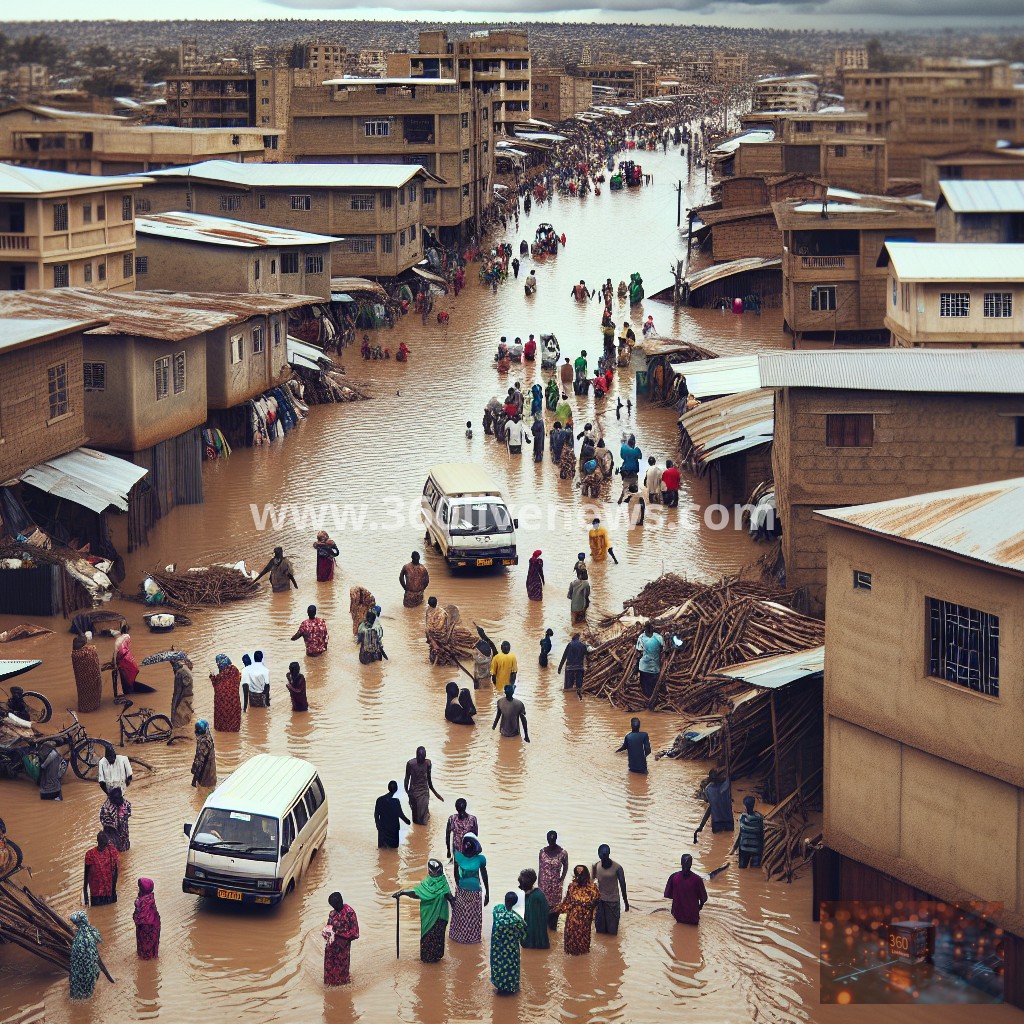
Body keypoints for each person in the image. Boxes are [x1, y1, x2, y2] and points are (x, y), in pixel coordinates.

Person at [394, 859, 455, 963]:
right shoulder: (444, 883)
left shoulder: (426, 884)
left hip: (428, 919)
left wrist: (402, 892)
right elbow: (451, 899)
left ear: (429, 871)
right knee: (438, 937)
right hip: (441, 918)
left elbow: (416, 893)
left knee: (428, 938)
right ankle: (437, 960)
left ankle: (427, 961)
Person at [551, 866, 601, 955]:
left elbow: (566, 903)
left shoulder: (576, 886)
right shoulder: (591, 887)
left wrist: (556, 910)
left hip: (576, 920)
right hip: (582, 920)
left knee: (574, 944)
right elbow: (596, 902)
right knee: (581, 943)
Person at [451, 833, 489, 944]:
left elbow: (456, 874)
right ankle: (473, 938)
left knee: (461, 915)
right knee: (473, 916)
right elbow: (484, 876)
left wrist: (458, 885)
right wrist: (487, 893)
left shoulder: (458, 856)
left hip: (462, 889)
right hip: (475, 890)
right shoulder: (480, 859)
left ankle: (459, 937)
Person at [491, 892, 527, 994]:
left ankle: (499, 986)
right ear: (515, 903)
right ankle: (511, 988)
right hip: (511, 949)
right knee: (511, 966)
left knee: (498, 965)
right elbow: (524, 932)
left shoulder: (497, 909)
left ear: (505, 899)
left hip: (497, 948)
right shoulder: (516, 919)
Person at [592, 845, 630, 935]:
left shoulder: (617, 868)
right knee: (599, 931)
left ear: (609, 854)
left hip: (613, 902)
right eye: (602, 854)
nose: (603, 856)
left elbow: (623, 885)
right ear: (598, 855)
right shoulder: (596, 866)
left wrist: (626, 903)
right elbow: (591, 884)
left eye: (605, 854)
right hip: (600, 901)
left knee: (612, 931)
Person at [323, 891, 359, 985]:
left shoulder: (350, 913)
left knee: (342, 975)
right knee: (329, 975)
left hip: (342, 950)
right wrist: (326, 932)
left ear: (340, 903)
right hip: (331, 949)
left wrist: (338, 933)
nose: (333, 908)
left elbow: (355, 933)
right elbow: (329, 926)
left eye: (334, 905)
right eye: (332, 906)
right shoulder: (332, 914)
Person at [664, 854, 708, 926]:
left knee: (677, 930)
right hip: (692, 916)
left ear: (681, 863)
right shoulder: (697, 879)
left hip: (678, 914)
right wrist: (700, 907)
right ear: (691, 864)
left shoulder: (674, 877)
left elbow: (668, 895)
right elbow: (703, 898)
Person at [404, 746, 444, 825]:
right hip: (413, 792)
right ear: (416, 756)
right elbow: (406, 779)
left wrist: (436, 794)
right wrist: (408, 792)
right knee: (415, 820)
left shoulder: (428, 763)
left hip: (424, 792)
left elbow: (429, 780)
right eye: (419, 756)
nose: (420, 758)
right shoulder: (410, 764)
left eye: (422, 757)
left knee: (423, 819)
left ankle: (427, 829)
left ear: (425, 756)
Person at [68, 910, 103, 1001]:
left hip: (77, 970)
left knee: (78, 988)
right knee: (88, 988)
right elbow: (95, 956)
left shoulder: (77, 938)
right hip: (88, 968)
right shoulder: (90, 935)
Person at [539, 831, 569, 931]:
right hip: (544, 886)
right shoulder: (542, 852)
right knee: (544, 909)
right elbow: (540, 869)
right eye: (549, 840)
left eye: (553, 840)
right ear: (547, 840)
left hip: (556, 886)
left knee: (555, 909)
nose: (551, 841)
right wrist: (539, 886)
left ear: (556, 839)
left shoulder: (563, 853)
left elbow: (566, 867)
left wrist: (562, 879)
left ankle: (553, 928)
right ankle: (547, 932)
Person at [83, 831, 119, 907]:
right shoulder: (90, 855)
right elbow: (86, 875)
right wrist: (85, 894)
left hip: (106, 892)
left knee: (106, 911)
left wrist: (113, 889)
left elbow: (115, 872)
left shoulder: (111, 851)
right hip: (100, 892)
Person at [696, 766, 735, 834]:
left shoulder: (708, 789)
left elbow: (710, 808)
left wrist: (701, 826)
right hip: (728, 821)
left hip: (716, 822)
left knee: (717, 839)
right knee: (730, 837)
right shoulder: (726, 785)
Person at [518, 868, 550, 949]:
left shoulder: (535, 896)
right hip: (539, 930)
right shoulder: (536, 894)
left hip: (534, 930)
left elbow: (531, 918)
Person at [731, 796, 765, 869]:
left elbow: (741, 834)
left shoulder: (743, 818)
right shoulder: (759, 818)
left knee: (742, 869)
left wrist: (734, 848)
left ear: (745, 806)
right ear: (754, 805)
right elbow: (761, 835)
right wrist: (761, 849)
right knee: (754, 870)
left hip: (744, 847)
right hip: (756, 848)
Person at [210, 654, 242, 731]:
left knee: (222, 719)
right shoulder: (234, 671)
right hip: (234, 702)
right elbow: (238, 679)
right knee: (234, 719)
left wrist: (212, 677)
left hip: (222, 704)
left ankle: (222, 731)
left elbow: (216, 687)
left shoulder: (218, 678)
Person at [374, 780, 410, 848]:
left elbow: (376, 815)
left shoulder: (379, 800)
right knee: (393, 850)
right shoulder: (396, 802)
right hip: (393, 831)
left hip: (383, 830)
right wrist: (408, 822)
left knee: (382, 850)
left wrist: (378, 827)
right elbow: (401, 815)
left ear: (388, 788)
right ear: (396, 789)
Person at [71, 634, 102, 713]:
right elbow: (94, 659)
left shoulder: (74, 654)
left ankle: (84, 708)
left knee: (84, 693)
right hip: (91, 677)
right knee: (93, 691)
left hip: (81, 679)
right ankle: (94, 706)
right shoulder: (88, 653)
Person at [168, 654, 194, 742]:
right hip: (189, 697)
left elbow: (178, 692)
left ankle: (179, 739)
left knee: (178, 720)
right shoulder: (185, 670)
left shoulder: (179, 673)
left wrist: (174, 706)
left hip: (183, 698)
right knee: (186, 718)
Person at [635, 623, 665, 700]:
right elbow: (664, 648)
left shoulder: (642, 637)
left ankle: (648, 700)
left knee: (647, 688)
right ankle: (650, 700)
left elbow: (639, 650)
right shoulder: (658, 637)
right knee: (652, 687)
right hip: (653, 667)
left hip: (646, 667)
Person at [133, 878, 160, 960]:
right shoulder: (150, 897)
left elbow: (140, 917)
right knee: (151, 946)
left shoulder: (142, 901)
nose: (138, 889)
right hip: (154, 924)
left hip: (145, 927)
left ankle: (145, 963)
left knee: (145, 949)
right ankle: (152, 960)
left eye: (139, 887)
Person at [99, 786, 131, 852]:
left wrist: (123, 822)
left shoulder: (126, 804)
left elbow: (128, 813)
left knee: (125, 850)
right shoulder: (106, 807)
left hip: (124, 830)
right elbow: (105, 822)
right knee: (113, 850)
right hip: (111, 832)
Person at [557, 633, 589, 699]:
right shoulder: (582, 645)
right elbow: (587, 654)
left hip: (569, 668)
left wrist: (559, 668)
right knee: (579, 687)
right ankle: (580, 700)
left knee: (568, 688)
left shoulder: (569, 645)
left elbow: (564, 657)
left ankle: (568, 701)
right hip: (579, 668)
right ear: (579, 638)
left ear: (573, 638)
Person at [114, 624, 141, 695]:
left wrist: (115, 663)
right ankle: (130, 683)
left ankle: (129, 683)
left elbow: (115, 653)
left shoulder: (118, 640)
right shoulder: (127, 636)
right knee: (135, 670)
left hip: (123, 657)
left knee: (128, 671)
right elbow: (127, 648)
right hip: (125, 657)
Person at [191, 720, 217, 788]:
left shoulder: (203, 743)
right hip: (211, 770)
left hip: (205, 774)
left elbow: (199, 762)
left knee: (203, 789)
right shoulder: (208, 737)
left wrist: (194, 779)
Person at [618, 435, 642, 502]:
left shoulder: (624, 448)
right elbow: (640, 457)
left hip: (625, 472)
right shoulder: (637, 450)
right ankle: (630, 499)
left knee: (624, 488)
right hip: (634, 473)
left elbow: (622, 456)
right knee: (634, 489)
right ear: (634, 443)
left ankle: (620, 500)